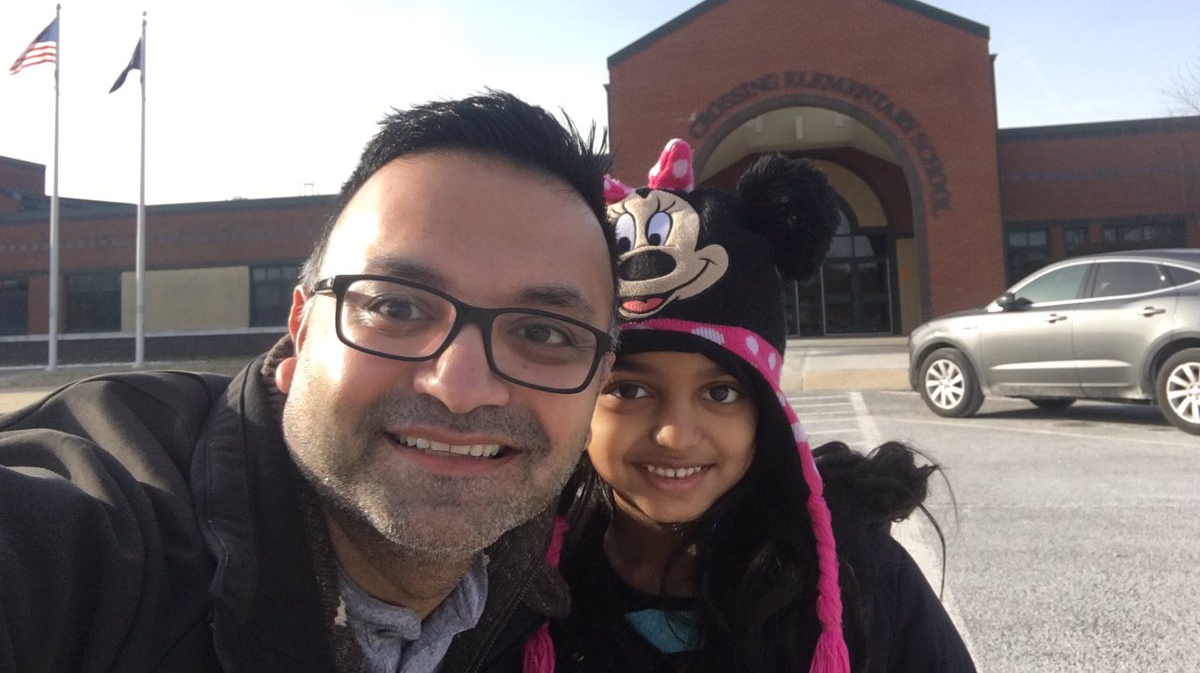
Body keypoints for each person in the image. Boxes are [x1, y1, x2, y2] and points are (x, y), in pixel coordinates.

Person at [0, 91, 619, 672]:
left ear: (599, 384)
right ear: (301, 330)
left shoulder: (577, 583)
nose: (459, 387)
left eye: (544, 333)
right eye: (397, 307)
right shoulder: (99, 534)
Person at [550, 139, 976, 672]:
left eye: (721, 393)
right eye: (631, 390)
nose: (676, 434)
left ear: (765, 413)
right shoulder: (522, 585)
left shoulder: (858, 582)